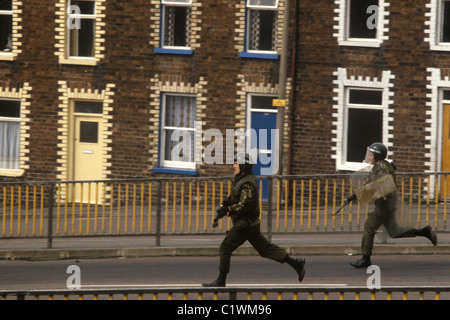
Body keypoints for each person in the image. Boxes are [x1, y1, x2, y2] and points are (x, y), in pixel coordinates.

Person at [202, 153, 306, 287]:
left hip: (245, 225)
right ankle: (296, 263)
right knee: (265, 249)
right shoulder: (241, 178)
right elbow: (236, 195)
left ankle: (221, 280)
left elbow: (244, 205)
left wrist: (228, 210)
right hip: (251, 225)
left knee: (225, 248)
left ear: (243, 166)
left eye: (236, 163)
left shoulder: (248, 183)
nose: (234, 166)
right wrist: (227, 201)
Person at [347, 142, 437, 268]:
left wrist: (358, 195)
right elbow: (371, 182)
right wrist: (353, 196)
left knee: (369, 228)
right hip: (387, 206)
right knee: (395, 232)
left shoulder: (382, 168)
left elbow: (379, 186)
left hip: (384, 206)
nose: (370, 157)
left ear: (377, 156)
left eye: (371, 155)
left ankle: (365, 259)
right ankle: (424, 232)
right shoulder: (381, 166)